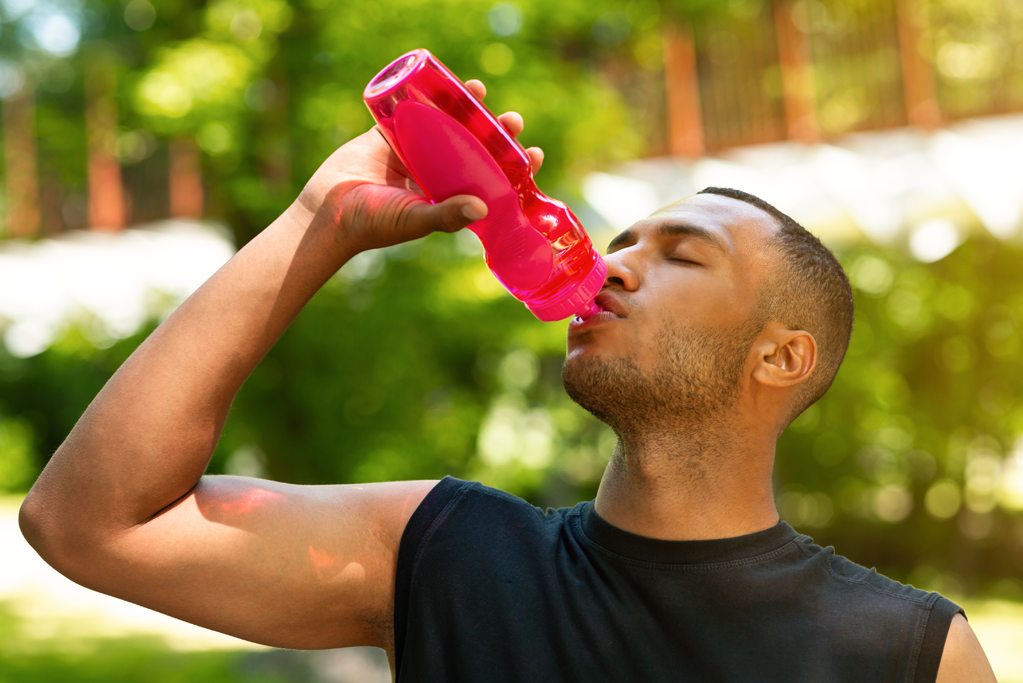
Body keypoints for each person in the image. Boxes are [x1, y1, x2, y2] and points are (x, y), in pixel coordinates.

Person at [19, 79, 995, 683]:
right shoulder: (447, 553)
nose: (609, 265)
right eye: (618, 244)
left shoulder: (910, 652)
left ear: (782, 355)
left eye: (682, 255)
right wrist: (322, 221)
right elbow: (87, 521)